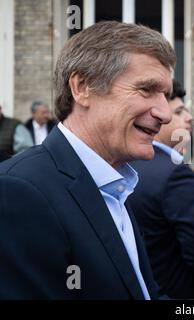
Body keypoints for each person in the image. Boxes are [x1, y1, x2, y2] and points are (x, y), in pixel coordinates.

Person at [0, 21, 175, 299]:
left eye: (166, 95)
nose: (165, 113)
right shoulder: (18, 191)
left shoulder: (115, 186)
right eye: (147, 89)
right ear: (82, 87)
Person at [128, 80, 194, 300]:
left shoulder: (127, 163)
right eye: (180, 111)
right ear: (158, 117)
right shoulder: (175, 174)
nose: (190, 117)